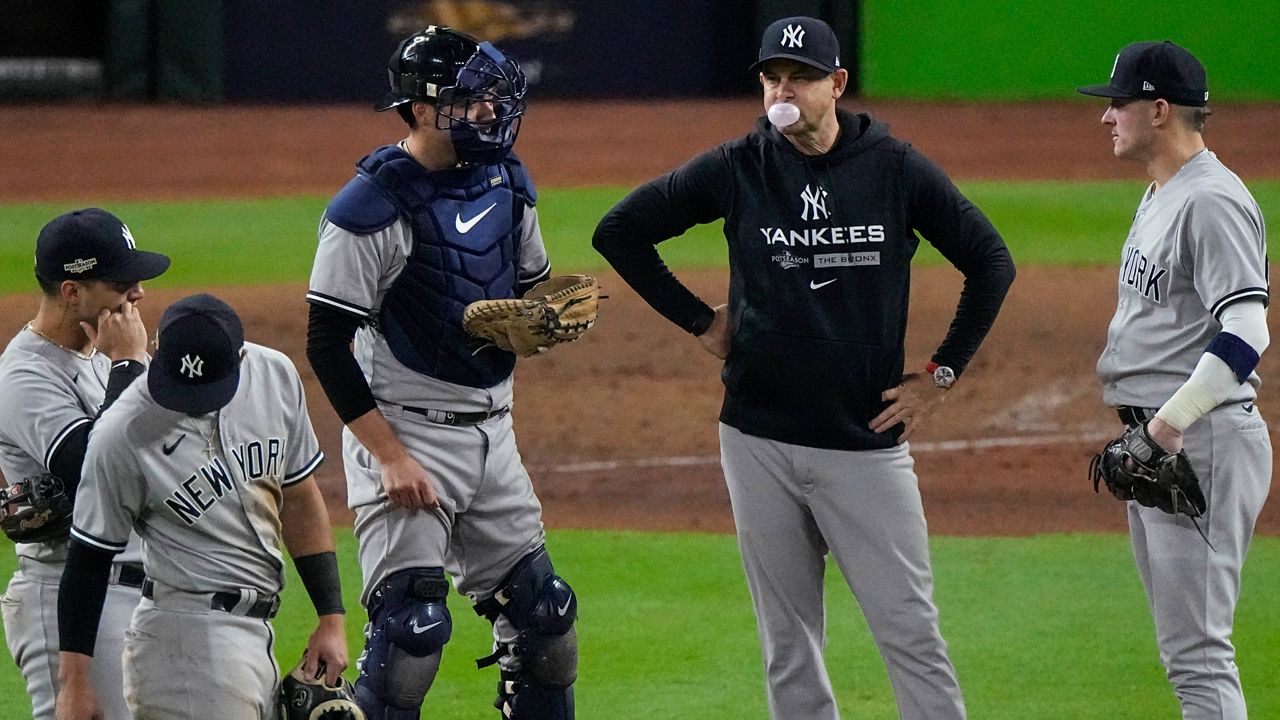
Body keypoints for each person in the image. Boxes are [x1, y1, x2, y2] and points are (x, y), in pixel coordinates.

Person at [593, 16, 1015, 720]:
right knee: (788, 644)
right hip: (757, 438)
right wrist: (700, 320)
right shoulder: (738, 166)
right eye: (771, 77)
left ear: (837, 84)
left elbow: (990, 260)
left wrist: (940, 376)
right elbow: (620, 230)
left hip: (864, 443)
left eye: (799, 77)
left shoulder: (894, 168)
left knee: (910, 632)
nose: (782, 90)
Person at [305, 26, 577, 720]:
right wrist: (388, 458)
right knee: (411, 633)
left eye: (492, 99)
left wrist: (545, 319)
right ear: (423, 109)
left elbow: (531, 291)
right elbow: (326, 344)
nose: (490, 113)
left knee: (548, 619)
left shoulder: (508, 182)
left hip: (495, 433)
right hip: (406, 433)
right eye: (472, 101)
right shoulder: (367, 210)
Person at [1078, 41, 1270, 719]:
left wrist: (1164, 428)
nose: (1107, 117)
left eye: (1118, 104)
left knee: (1200, 657)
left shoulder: (1211, 201)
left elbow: (1248, 333)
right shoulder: (1165, 193)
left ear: (1159, 110)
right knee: (1185, 654)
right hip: (1167, 440)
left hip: (1198, 440)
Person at [53, 293, 349, 719]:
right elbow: (88, 559)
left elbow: (299, 499)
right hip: (181, 644)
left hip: (255, 635)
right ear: (156, 352)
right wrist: (75, 683)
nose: (191, 402)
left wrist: (331, 617)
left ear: (240, 357)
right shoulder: (120, 432)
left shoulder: (275, 376)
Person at [0, 208, 169, 720]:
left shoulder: (99, 353)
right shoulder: (24, 376)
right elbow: (91, 465)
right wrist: (130, 367)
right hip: (66, 593)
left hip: (138, 587)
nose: (136, 292)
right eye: (120, 281)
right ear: (72, 291)